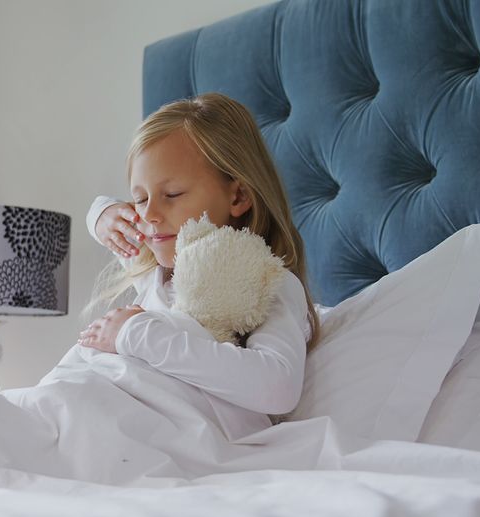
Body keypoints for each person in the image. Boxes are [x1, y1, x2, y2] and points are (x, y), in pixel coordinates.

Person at [76, 92, 321, 438]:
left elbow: (276, 386)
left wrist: (136, 333)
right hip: (93, 403)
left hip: (153, 432)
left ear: (237, 196)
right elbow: (99, 215)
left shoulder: (267, 282)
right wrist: (103, 215)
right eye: (140, 198)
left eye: (172, 194)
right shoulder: (153, 269)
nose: (148, 215)